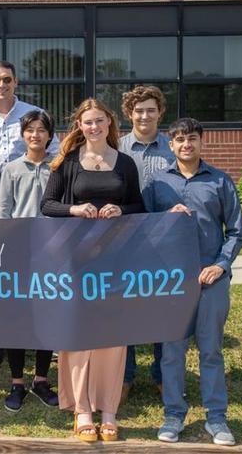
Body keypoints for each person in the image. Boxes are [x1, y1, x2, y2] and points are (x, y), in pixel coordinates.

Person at [40, 99, 144, 442]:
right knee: (80, 335)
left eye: (100, 120)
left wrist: (121, 208)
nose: (94, 126)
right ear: (79, 126)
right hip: (76, 260)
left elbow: (138, 207)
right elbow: (48, 204)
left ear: (109, 123)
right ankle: (82, 409)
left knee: (113, 337)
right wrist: (75, 208)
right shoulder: (67, 162)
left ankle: (109, 409)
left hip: (115, 260)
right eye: (88, 122)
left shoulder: (125, 163)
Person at [146, 118, 242, 447]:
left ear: (201, 142)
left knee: (211, 351)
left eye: (191, 138)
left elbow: (236, 231)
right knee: (171, 353)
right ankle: (173, 415)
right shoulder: (157, 184)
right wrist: (164, 219)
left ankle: (216, 418)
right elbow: (143, 230)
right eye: (179, 139)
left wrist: (220, 266)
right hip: (171, 280)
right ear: (170, 145)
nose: (185, 144)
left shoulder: (220, 181)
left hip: (210, 278)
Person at [0, 60, 59, 366]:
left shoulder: (31, 113)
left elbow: (56, 153)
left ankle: (43, 340)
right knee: (0, 276)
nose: (1, 85)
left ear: (16, 82)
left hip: (31, 198)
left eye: (7, 79)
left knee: (38, 279)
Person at [0, 109, 60, 413]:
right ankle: (17, 381)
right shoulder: (10, 169)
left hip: (52, 254)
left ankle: (41, 379)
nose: (35, 135)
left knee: (47, 317)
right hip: (18, 254)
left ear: (50, 135)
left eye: (41, 130)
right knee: (17, 320)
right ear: (23, 135)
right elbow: (3, 213)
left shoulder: (59, 167)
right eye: (30, 130)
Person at [118, 86, 176, 402]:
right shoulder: (118, 148)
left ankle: (161, 374)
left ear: (160, 112)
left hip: (165, 241)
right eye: (138, 110)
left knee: (161, 311)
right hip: (127, 240)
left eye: (150, 110)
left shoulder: (173, 147)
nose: (144, 116)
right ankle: (125, 376)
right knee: (126, 310)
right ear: (130, 114)